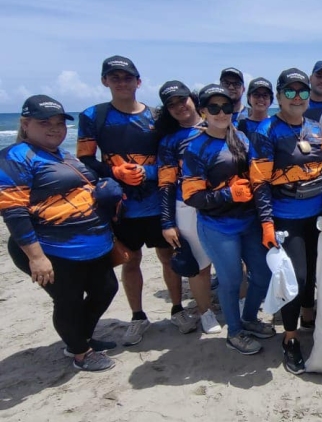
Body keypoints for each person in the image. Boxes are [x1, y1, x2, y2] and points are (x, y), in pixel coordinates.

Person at [0, 95, 119, 371]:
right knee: (69, 300)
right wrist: (37, 258)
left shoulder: (61, 154)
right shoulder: (16, 157)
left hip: (89, 245)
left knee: (106, 289)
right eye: (45, 123)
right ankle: (80, 353)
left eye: (59, 123)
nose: (55, 128)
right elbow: (13, 212)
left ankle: (80, 338)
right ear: (25, 124)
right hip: (51, 249)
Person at [77, 55, 183, 346]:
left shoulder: (156, 117)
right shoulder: (93, 116)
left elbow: (169, 157)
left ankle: (177, 309)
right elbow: (84, 161)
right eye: (115, 77)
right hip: (121, 206)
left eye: (127, 77)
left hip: (157, 201)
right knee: (130, 259)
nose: (122, 82)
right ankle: (138, 316)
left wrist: (146, 172)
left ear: (139, 81)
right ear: (104, 81)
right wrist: (115, 172)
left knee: (168, 256)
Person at [249, 68, 322, 374]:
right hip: (285, 218)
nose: (297, 97)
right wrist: (267, 223)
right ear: (279, 96)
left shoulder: (316, 130)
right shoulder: (266, 132)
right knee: (294, 280)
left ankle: (309, 317)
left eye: (302, 91)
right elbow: (259, 183)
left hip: (316, 218)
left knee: (314, 274)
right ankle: (289, 337)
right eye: (290, 91)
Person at [182, 84, 274, 355]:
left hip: (249, 222)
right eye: (214, 108)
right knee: (231, 280)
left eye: (226, 107)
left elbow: (258, 179)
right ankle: (234, 331)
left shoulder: (243, 139)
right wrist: (228, 194)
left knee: (264, 274)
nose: (221, 113)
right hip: (217, 227)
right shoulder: (196, 148)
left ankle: (249, 319)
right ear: (203, 112)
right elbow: (191, 196)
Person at [156, 80, 221, 334]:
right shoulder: (169, 141)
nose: (178, 106)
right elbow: (166, 184)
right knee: (199, 264)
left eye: (182, 100)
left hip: (224, 203)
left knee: (234, 261)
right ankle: (206, 313)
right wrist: (167, 222)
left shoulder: (219, 124)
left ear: (192, 99)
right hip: (187, 207)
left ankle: (239, 306)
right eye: (171, 104)